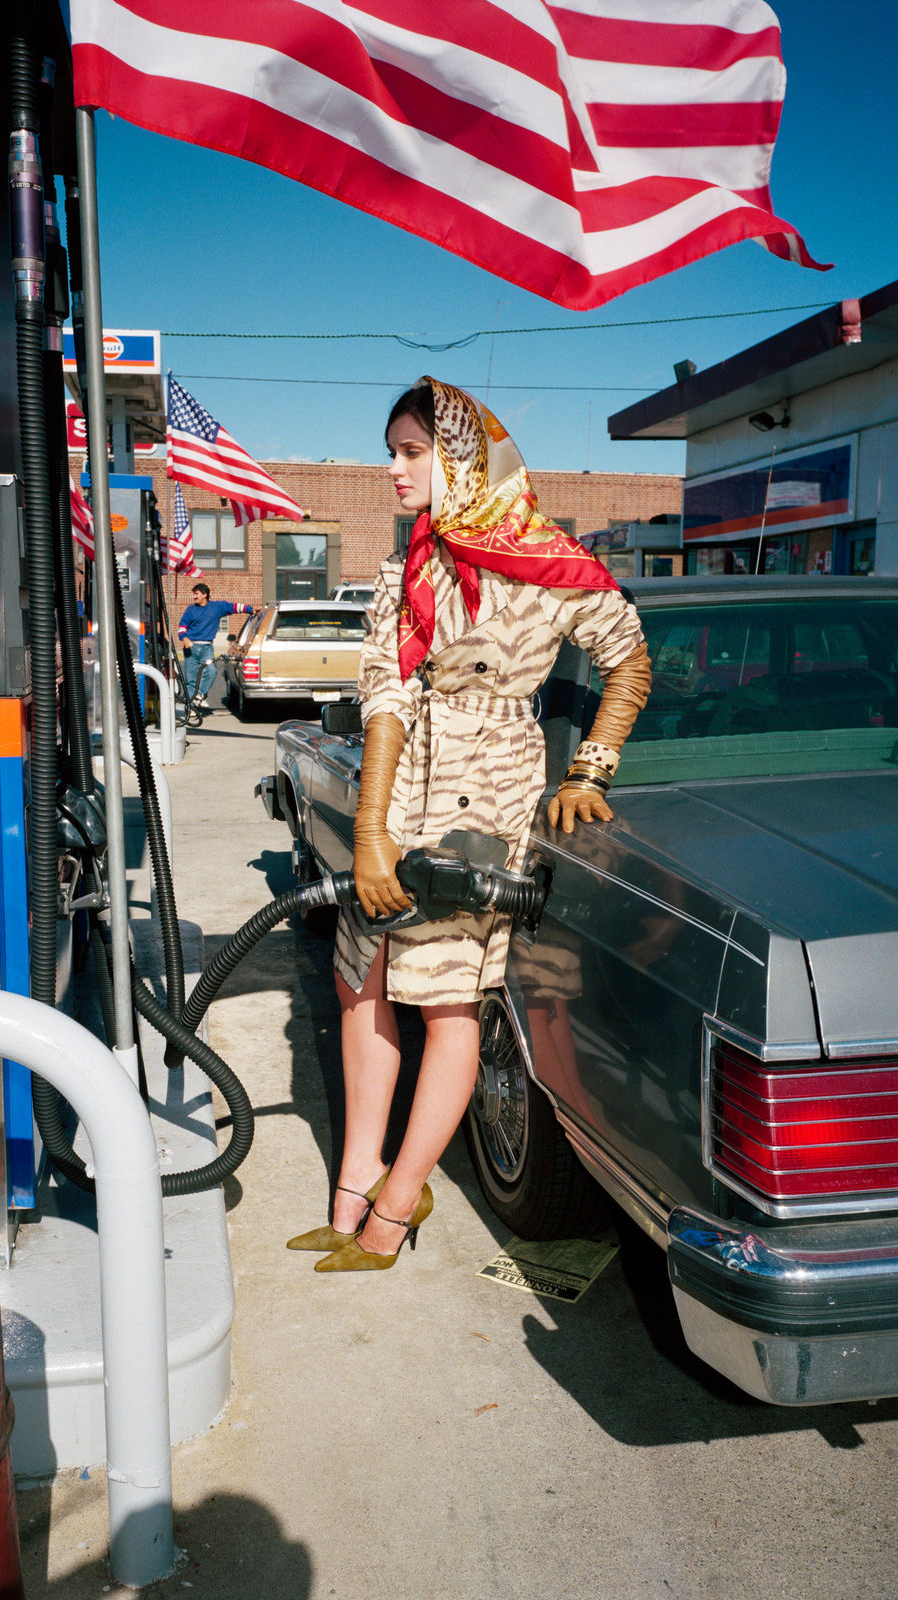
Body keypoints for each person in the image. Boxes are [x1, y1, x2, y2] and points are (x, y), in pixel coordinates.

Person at [286, 377, 651, 1272]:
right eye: (392, 452)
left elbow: (631, 661)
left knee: (448, 1000)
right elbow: (383, 693)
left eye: (412, 452)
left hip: (485, 792)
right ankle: (354, 1184)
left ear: (461, 458)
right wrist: (371, 833)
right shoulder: (411, 564)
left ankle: (398, 1203)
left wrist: (589, 770)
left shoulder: (552, 562)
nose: (394, 469)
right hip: (401, 774)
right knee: (359, 978)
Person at [177, 582, 254, 711]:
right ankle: (190, 710)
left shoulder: (217, 607)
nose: (194, 597)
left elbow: (234, 607)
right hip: (190, 648)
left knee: (211, 671)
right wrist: (183, 638)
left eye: (196, 594)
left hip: (206, 647)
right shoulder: (191, 609)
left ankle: (199, 695)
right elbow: (182, 626)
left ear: (205, 594)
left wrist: (251, 610)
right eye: (194, 594)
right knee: (191, 680)